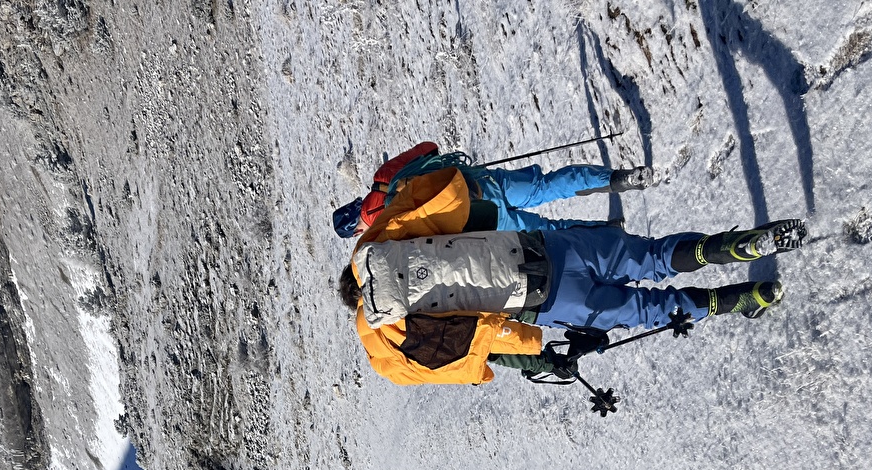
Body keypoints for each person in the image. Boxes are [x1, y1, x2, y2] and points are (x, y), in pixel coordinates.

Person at [338, 167, 803, 386]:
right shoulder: (390, 245)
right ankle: (722, 247)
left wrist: (550, 355)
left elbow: (482, 343)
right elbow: (455, 199)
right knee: (651, 257)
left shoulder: (395, 333)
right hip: (544, 247)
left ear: (362, 307)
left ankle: (743, 298)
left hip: (549, 301)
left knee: (648, 310)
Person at [332, 141, 653, 239]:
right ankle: (619, 179)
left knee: (547, 232)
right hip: (475, 183)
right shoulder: (384, 178)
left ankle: (610, 233)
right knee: (545, 186)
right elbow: (430, 147)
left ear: (358, 230)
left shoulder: (391, 229)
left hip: (475, 219)